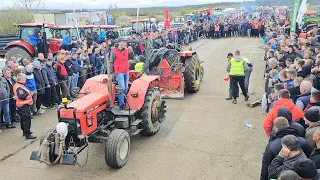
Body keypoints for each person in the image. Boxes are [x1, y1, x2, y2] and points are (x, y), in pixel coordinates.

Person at [13, 73, 36, 139]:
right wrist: (29, 94)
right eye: (25, 78)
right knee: (26, 119)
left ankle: (25, 131)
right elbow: (21, 96)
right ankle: (27, 133)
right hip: (23, 105)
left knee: (23, 119)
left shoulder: (20, 85)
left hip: (23, 105)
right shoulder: (18, 87)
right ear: (21, 79)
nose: (25, 79)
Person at [109, 37, 129, 109]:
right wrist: (111, 73)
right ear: (119, 42)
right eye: (124, 42)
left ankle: (125, 100)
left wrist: (132, 52)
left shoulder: (126, 50)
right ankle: (121, 104)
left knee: (126, 88)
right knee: (122, 88)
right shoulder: (114, 51)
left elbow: (130, 58)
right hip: (119, 71)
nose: (125, 43)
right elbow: (111, 62)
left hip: (126, 70)